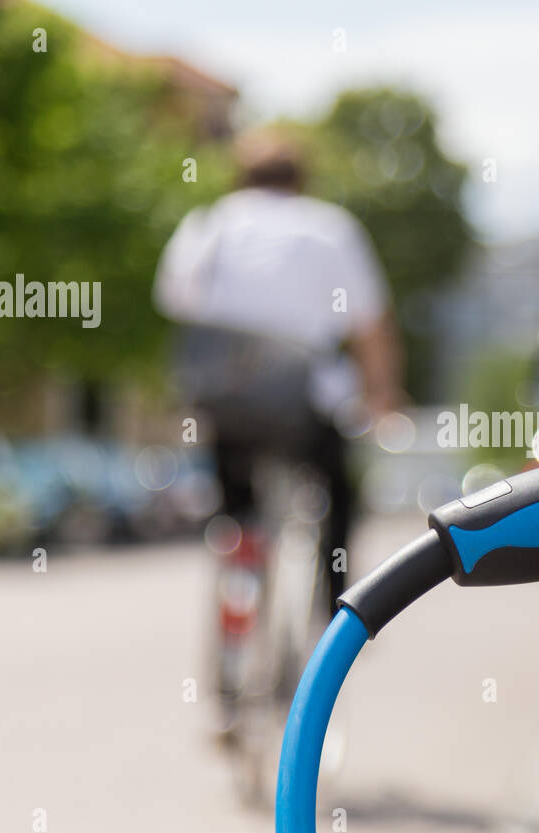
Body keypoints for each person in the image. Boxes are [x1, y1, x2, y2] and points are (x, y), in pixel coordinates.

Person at [153, 129, 403, 612]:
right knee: (338, 493)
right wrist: (383, 396)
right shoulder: (329, 227)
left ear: (240, 176)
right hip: (303, 400)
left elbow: (174, 297)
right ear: (302, 178)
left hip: (227, 397)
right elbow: (371, 325)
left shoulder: (210, 224)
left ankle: (238, 560)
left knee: (233, 489)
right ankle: (337, 609)